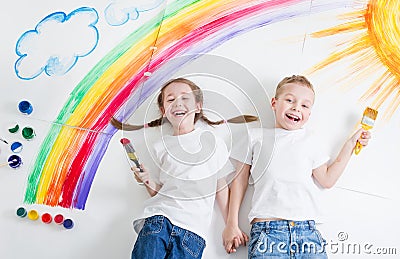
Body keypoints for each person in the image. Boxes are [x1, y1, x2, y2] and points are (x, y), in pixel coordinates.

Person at [222, 75, 371, 258]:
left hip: (307, 234)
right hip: (267, 234)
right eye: (290, 100)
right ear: (274, 103)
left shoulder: (311, 140)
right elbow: (239, 182)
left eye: (304, 105)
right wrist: (231, 224)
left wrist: (350, 145)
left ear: (309, 114)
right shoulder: (255, 137)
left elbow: (327, 179)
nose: (296, 108)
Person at [111, 77, 257, 259]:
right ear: (164, 111)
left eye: (185, 98)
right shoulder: (160, 147)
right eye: (171, 100)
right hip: (159, 220)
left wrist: (231, 224)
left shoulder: (213, 143)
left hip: (192, 233)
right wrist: (148, 181)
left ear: (198, 106)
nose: (178, 103)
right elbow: (164, 193)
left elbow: (221, 188)